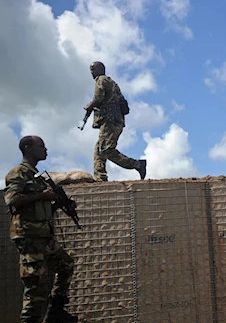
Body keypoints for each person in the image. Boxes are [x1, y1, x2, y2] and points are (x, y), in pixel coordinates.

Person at [4, 136, 78, 323]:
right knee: (36, 289)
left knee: (66, 265)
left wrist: (57, 204)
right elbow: (11, 199)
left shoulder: (37, 176)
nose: (45, 149)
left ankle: (56, 311)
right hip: (29, 238)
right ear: (28, 148)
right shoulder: (18, 172)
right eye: (41, 146)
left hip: (44, 237)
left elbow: (39, 207)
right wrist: (42, 196)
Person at [84, 61, 147, 181]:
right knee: (99, 149)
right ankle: (100, 177)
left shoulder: (101, 80)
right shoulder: (112, 82)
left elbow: (98, 99)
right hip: (115, 120)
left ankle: (137, 164)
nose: (91, 72)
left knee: (106, 149)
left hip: (110, 120)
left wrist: (89, 106)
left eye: (93, 69)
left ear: (100, 69)